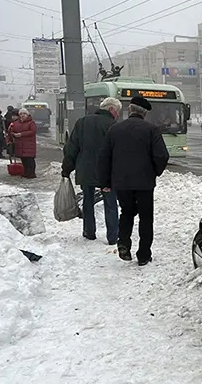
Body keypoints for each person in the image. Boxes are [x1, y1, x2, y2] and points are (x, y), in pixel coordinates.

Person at [98, 96, 170, 266]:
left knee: (127, 212)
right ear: (145, 113)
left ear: (129, 110)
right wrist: (154, 172)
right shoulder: (151, 130)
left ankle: (123, 242)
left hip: (121, 182)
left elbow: (104, 157)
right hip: (145, 183)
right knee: (146, 217)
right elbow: (162, 156)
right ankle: (144, 255)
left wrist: (106, 182)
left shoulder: (115, 129)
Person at [62, 97, 120, 244]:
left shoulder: (82, 122)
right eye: (117, 112)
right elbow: (118, 152)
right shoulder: (113, 126)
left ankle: (89, 232)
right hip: (107, 172)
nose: (118, 115)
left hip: (86, 169)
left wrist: (67, 168)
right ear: (111, 109)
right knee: (110, 203)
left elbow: (72, 147)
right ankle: (113, 236)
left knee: (88, 201)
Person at [8, 108, 38, 178]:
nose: (22, 115)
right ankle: (26, 172)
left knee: (30, 160)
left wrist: (21, 134)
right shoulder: (16, 123)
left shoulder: (31, 123)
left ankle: (32, 173)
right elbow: (11, 131)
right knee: (24, 159)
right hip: (20, 145)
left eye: (24, 114)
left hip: (29, 145)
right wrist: (13, 134)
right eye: (21, 114)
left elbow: (33, 131)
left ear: (27, 115)